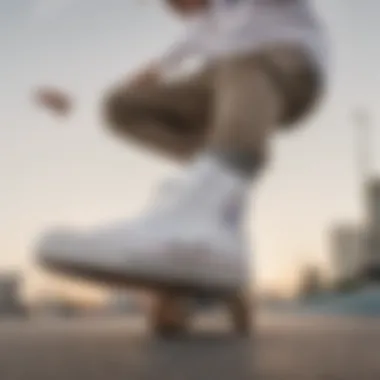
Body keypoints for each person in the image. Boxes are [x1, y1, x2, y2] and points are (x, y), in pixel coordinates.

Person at [35, 0, 329, 294]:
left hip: (293, 70)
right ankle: (214, 183)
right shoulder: (203, 28)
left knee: (240, 62)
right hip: (228, 87)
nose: (172, 8)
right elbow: (155, 69)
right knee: (121, 106)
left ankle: (215, 207)